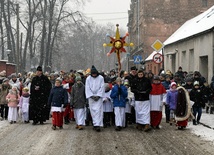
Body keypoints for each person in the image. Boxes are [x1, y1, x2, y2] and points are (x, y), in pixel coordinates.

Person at [85, 65, 105, 132]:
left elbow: (102, 87)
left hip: (98, 97)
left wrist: (98, 95)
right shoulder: (88, 79)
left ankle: (98, 125)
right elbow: (87, 88)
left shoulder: (101, 78)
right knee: (93, 111)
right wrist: (91, 95)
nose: (94, 75)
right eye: (93, 74)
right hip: (91, 97)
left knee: (98, 111)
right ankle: (95, 123)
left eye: (95, 74)